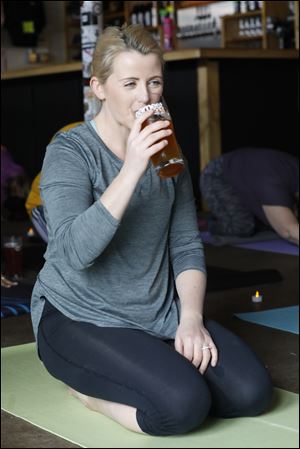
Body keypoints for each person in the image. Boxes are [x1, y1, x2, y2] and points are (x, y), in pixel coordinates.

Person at [31, 24, 272, 436]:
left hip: (156, 311)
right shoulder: (70, 152)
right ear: (99, 88)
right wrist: (131, 168)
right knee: (181, 406)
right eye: (130, 83)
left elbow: (184, 242)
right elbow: (72, 252)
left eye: (154, 81)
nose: (145, 97)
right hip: (79, 316)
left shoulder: (166, 148)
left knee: (250, 394)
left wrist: (191, 319)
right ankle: (90, 396)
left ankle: (155, 357)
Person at [200, 148, 299, 246]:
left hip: (250, 173)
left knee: (277, 219)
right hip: (217, 175)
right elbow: (287, 231)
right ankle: (210, 224)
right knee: (242, 227)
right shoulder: (272, 183)